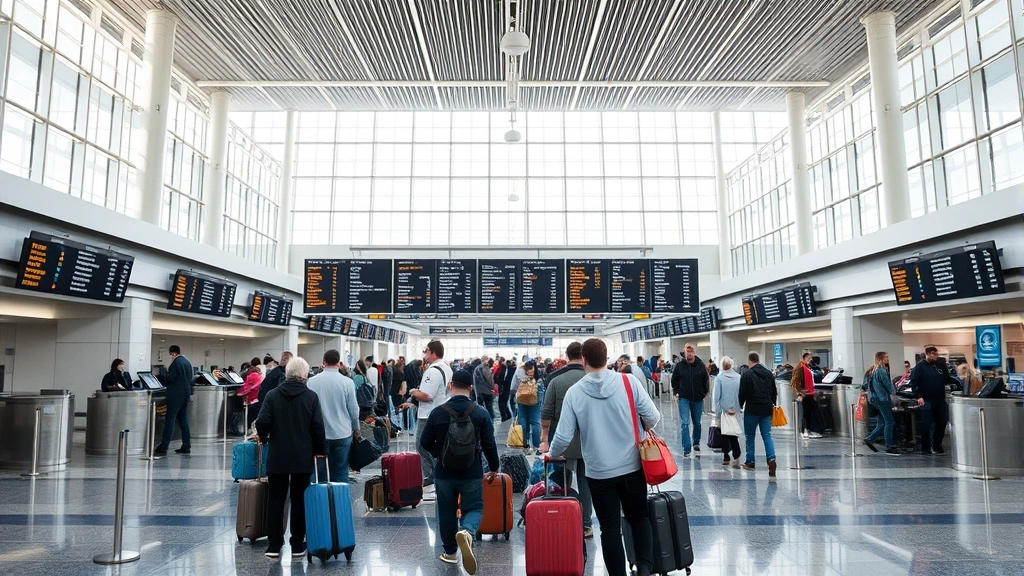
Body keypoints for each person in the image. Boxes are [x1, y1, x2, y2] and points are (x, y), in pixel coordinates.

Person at [547, 338, 661, 576]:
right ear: (607, 358)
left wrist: (551, 454)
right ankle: (645, 570)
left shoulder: (574, 393)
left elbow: (563, 436)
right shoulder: (628, 382)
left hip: (599, 473)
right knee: (639, 518)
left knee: (609, 528)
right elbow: (653, 417)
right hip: (632, 467)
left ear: (584, 360)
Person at [419, 369, 500, 575]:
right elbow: (490, 445)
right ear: (471, 388)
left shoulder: (438, 412)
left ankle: (450, 552)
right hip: (471, 471)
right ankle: (467, 530)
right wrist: (493, 468)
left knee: (446, 511)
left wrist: (440, 454)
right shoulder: (481, 413)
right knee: (474, 507)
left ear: (450, 386)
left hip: (444, 473)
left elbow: (424, 442)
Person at [255, 356, 325, 559]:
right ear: (304, 375)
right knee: (299, 500)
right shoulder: (311, 397)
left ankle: (274, 546)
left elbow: (262, 422)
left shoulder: (272, 395)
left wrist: (264, 437)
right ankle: (297, 545)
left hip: (278, 457)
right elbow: (317, 427)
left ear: (287, 374)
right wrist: (320, 449)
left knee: (276, 499)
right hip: (302, 457)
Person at [539, 342, 594, 539]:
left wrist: (544, 438)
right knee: (585, 481)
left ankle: (564, 517)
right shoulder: (591, 378)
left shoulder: (555, 379)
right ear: (583, 356)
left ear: (567, 355)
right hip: (589, 440)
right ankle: (586, 524)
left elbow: (546, 412)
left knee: (562, 479)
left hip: (562, 439)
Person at [402, 340, 452, 500]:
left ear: (432, 352)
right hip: (441, 412)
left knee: (422, 446)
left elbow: (426, 395)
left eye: (426, 352)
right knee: (436, 449)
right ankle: (438, 481)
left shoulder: (432, 371)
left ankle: (432, 481)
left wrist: (414, 391)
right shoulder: (447, 368)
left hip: (428, 415)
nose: (424, 355)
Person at [306, 349, 361, 483]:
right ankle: (339, 502)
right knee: (341, 473)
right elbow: (354, 411)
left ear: (323, 362)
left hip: (319, 436)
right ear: (338, 363)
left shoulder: (311, 382)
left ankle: (320, 502)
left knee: (319, 475)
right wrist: (357, 429)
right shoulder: (347, 382)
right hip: (342, 434)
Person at [910, 346, 958, 455]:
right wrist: (918, 396)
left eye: (935, 354)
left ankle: (937, 446)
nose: (934, 356)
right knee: (926, 424)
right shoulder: (920, 367)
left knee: (941, 422)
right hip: (926, 399)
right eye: (931, 354)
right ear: (926, 354)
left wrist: (957, 383)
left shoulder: (939, 366)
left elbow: (946, 378)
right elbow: (914, 382)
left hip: (939, 399)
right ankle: (925, 448)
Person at [738, 351, 778, 480]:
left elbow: (742, 392)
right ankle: (771, 459)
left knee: (750, 436)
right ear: (759, 360)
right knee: (767, 435)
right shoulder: (768, 373)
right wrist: (773, 403)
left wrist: (740, 405)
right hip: (767, 408)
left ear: (749, 361)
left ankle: (750, 462)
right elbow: (774, 391)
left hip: (752, 409)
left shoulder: (747, 374)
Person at [671, 343, 709, 458]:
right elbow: (674, 380)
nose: (690, 354)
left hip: (697, 398)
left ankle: (696, 443)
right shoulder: (680, 366)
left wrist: (703, 393)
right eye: (688, 352)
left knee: (697, 423)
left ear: (694, 352)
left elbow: (705, 381)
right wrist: (676, 392)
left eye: (691, 352)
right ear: (685, 352)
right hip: (684, 398)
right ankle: (686, 448)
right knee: (685, 423)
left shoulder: (700, 365)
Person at [154, 346, 193, 457]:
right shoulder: (187, 362)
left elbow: (170, 379)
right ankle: (186, 444)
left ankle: (163, 446)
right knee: (183, 419)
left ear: (173, 353)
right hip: (186, 392)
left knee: (170, 419)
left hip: (176, 394)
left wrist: (161, 376)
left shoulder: (176, 364)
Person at [863, 351, 900, 456]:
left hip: (875, 399)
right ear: (881, 358)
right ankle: (888, 446)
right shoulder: (882, 371)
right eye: (886, 357)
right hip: (883, 399)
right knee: (890, 422)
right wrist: (895, 394)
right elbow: (888, 385)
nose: (888, 359)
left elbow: (865, 385)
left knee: (882, 422)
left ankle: (870, 439)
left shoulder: (872, 371)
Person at [712, 356, 742, 467]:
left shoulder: (719, 378)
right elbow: (740, 394)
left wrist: (717, 410)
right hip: (735, 410)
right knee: (733, 433)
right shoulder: (739, 377)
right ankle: (737, 453)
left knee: (724, 433)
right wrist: (737, 408)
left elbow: (716, 397)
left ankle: (726, 456)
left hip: (724, 411)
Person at [514, 360, 545, 455]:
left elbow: (515, 385)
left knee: (522, 420)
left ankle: (525, 446)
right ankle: (537, 447)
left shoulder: (521, 373)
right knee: (535, 421)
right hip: (535, 395)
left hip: (522, 396)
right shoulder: (538, 378)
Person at [792, 353, 825, 439]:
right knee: (807, 413)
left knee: (809, 413)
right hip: (806, 394)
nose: (810, 359)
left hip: (809, 393)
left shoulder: (806, 368)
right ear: (804, 358)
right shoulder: (800, 368)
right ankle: (807, 430)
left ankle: (807, 430)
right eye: (808, 358)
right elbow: (795, 382)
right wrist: (800, 392)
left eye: (811, 358)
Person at [238, 356, 264, 428]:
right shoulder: (258, 375)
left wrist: (239, 393)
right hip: (256, 399)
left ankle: (247, 429)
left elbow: (246, 388)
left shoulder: (251, 375)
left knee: (249, 418)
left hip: (250, 399)